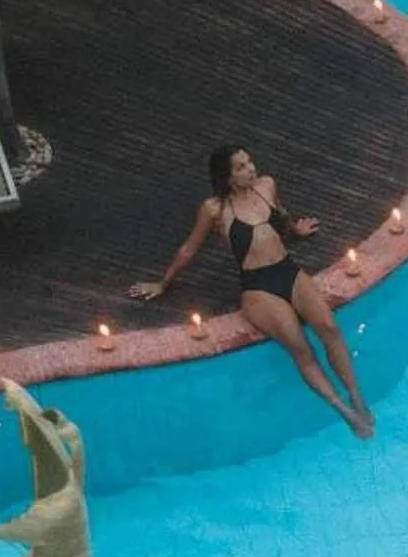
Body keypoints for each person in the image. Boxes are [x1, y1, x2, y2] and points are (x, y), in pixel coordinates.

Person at [130, 147, 375, 438]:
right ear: (227, 177)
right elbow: (188, 250)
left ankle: (356, 396)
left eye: (249, 163)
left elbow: (281, 216)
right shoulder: (215, 209)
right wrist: (162, 283)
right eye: (241, 167)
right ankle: (344, 411)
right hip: (258, 286)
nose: (251, 169)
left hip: (289, 271)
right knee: (301, 348)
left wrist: (296, 230)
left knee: (329, 328)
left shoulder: (266, 186)